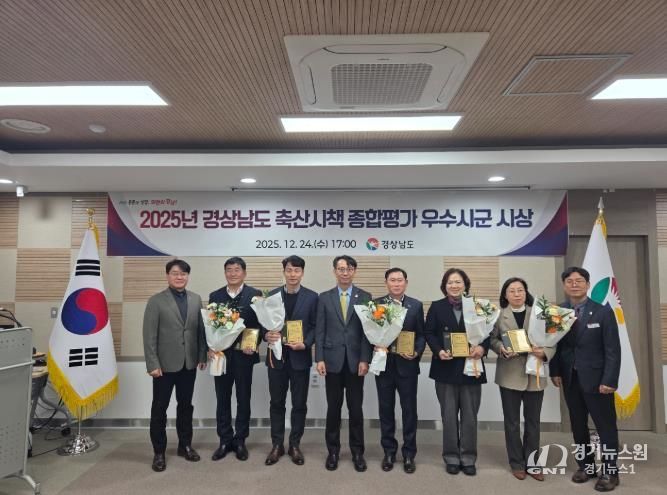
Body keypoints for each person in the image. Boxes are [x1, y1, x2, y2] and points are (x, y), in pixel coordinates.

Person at [550, 267, 621, 492]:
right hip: (570, 378)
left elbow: (613, 349)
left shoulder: (603, 311)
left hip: (598, 381)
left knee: (605, 427)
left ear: (588, 284)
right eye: (569, 281)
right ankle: (586, 466)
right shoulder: (558, 312)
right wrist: (555, 371)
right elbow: (554, 344)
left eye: (579, 281)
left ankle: (610, 472)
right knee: (578, 426)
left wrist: (610, 380)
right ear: (564, 285)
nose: (574, 284)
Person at [142, 259, 207, 472]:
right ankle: (159, 452)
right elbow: (149, 336)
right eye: (175, 273)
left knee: (186, 406)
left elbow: (200, 331)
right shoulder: (156, 301)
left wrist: (202, 356)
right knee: (159, 408)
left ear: (188, 276)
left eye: (183, 274)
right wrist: (152, 363)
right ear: (167, 276)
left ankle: (185, 445)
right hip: (164, 365)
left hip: (189, 363)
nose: (179, 277)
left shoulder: (196, 299)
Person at [424, 268, 489, 476]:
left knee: (470, 417)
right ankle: (451, 457)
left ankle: (468, 457)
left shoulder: (478, 306)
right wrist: (438, 350)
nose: (454, 285)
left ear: (465, 284)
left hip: (472, 368)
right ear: (444, 286)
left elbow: (488, 333)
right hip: (445, 368)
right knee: (449, 416)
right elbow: (429, 333)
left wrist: (483, 348)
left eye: (458, 282)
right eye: (450, 282)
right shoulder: (437, 306)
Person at [489, 277, 555, 481]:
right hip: (509, 375)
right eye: (512, 291)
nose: (517, 294)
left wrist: (544, 352)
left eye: (520, 290)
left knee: (533, 422)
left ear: (526, 293)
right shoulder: (499, 315)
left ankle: (533, 463)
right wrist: (501, 349)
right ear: (505, 295)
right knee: (512, 423)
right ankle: (516, 462)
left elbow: (553, 340)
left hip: (535, 375)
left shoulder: (540, 314)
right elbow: (492, 339)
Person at [315, 255, 372, 472]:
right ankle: (333, 451)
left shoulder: (365, 297)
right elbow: (320, 330)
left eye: (348, 269)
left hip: (356, 363)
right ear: (334, 271)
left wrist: (365, 359)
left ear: (354, 271)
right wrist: (319, 358)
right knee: (333, 408)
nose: (345, 272)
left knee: (356, 409)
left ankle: (358, 452)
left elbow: (367, 333)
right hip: (332, 361)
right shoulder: (324, 297)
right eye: (340, 269)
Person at [262, 255, 318, 466]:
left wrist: (306, 343)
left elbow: (315, 326)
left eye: (297, 270)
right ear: (284, 271)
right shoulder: (271, 295)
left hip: (300, 358)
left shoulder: (312, 297)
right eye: (289, 270)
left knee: (299, 404)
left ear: (302, 273)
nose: (293, 274)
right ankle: (277, 444)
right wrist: (266, 335)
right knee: (276, 403)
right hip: (276, 359)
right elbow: (262, 323)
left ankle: (295, 444)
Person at [209, 257, 262, 462]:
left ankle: (240, 440)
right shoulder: (215, 295)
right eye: (229, 270)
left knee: (243, 398)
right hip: (221, 356)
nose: (233, 273)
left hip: (244, 356)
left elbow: (260, 324)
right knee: (222, 398)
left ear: (244, 273)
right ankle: (224, 440)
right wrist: (211, 347)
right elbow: (209, 325)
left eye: (237, 270)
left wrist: (253, 344)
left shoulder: (254, 295)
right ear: (225, 273)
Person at [374, 268, 425, 474]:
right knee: (385, 410)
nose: (396, 284)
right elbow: (370, 333)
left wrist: (416, 351)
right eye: (392, 280)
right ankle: (389, 451)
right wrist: (375, 346)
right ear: (386, 283)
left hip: (408, 366)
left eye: (400, 280)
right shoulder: (376, 305)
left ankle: (409, 454)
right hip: (384, 366)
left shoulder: (416, 305)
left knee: (409, 411)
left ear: (406, 282)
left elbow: (421, 335)